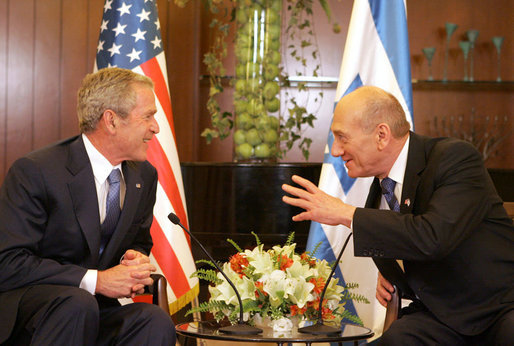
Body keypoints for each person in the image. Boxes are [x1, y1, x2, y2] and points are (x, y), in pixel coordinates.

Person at [282, 86, 514, 345]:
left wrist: (346, 214)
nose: (335, 151)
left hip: (498, 309)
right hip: (440, 317)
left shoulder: (455, 158)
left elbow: (433, 236)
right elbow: (408, 240)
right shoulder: (380, 188)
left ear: (381, 135)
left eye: (342, 138)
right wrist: (397, 273)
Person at [0, 68, 176, 345]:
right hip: (35, 313)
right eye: (148, 116)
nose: (156, 127)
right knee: (76, 302)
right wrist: (96, 280)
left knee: (152, 320)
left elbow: (140, 241)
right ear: (111, 120)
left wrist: (132, 261)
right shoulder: (37, 171)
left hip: (94, 309)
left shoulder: (144, 176)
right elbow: (8, 263)